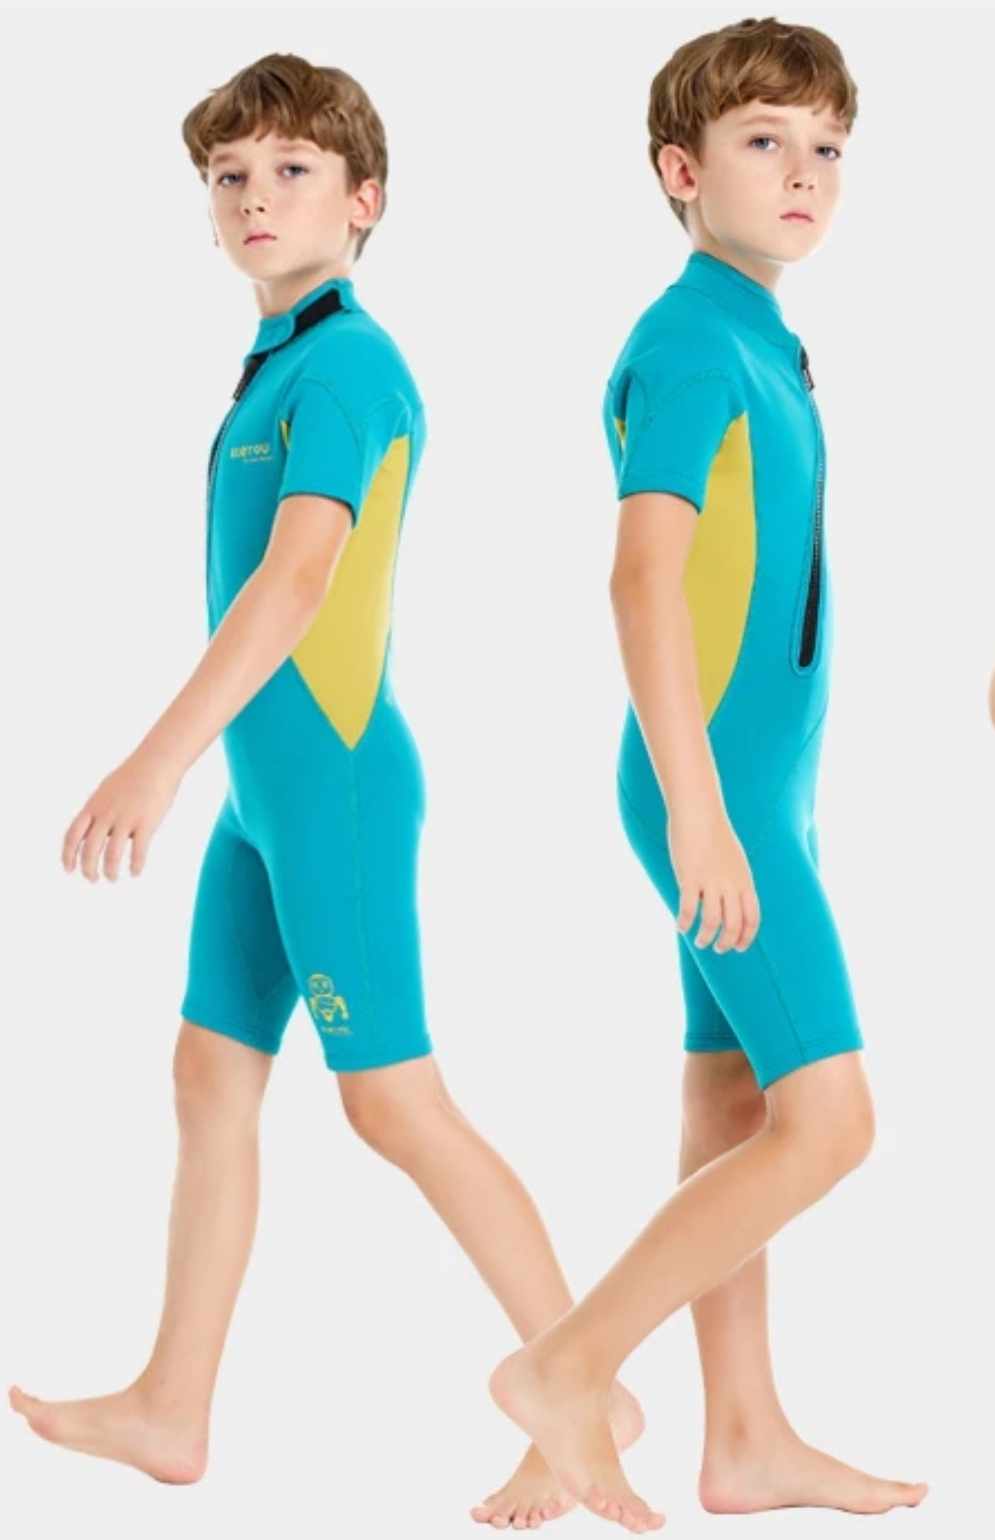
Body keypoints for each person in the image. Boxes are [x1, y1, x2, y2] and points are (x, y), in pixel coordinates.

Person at [8, 53, 644, 1524]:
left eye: (291, 170)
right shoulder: (281, 363)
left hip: (333, 789)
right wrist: (215, 776)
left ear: (365, 201)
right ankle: (172, 1407)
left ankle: (586, 1390)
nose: (254, 196)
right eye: (229, 175)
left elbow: (298, 580)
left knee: (396, 1104)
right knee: (208, 1075)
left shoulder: (351, 365)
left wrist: (154, 760)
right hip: (268, 796)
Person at [486, 17, 928, 1532]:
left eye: (828, 148)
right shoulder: (690, 342)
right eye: (763, 142)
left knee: (736, 1096)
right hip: (715, 790)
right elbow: (642, 576)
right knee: (833, 1123)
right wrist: (697, 810)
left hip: (756, 788)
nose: (805, 172)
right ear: (681, 171)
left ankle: (743, 1438)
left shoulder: (758, 337)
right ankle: (566, 1369)